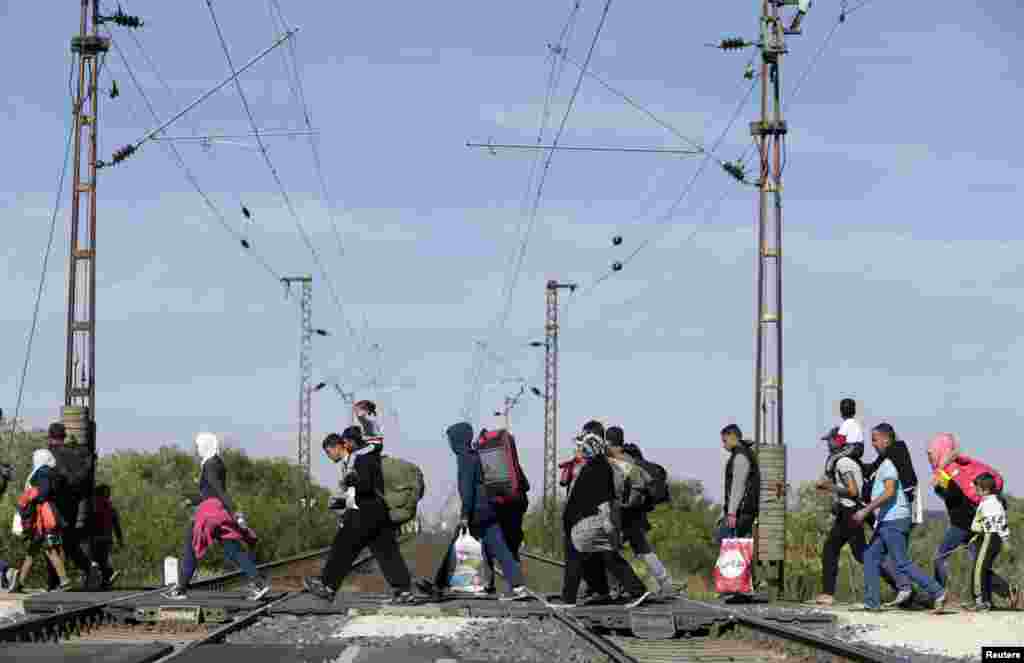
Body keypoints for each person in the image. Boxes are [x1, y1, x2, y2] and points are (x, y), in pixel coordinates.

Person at [304, 428, 417, 604]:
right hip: (378, 512)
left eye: (328, 452)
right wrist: (342, 502)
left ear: (339, 446)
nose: (329, 456)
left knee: (342, 547)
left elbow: (364, 486)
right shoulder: (367, 457)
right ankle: (403, 590)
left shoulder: (358, 458)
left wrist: (349, 482)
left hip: (364, 513)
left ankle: (327, 586)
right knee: (387, 552)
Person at [163, 432, 269, 601]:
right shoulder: (218, 462)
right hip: (220, 512)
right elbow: (212, 492)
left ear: (205, 445)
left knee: (190, 547)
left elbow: (218, 490)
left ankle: (180, 589)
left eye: (198, 446)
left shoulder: (209, 464)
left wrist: (236, 511)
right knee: (233, 548)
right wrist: (192, 500)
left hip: (209, 514)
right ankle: (259, 583)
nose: (197, 450)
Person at [811, 426, 908, 606]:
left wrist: (828, 487)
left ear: (840, 442)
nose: (829, 445)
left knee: (856, 553)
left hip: (851, 512)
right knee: (854, 552)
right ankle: (902, 586)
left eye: (831, 441)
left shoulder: (842, 463)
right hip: (850, 511)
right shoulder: (850, 461)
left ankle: (902, 586)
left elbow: (853, 491)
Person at [853, 425, 945, 612]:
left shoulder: (888, 463)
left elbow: (889, 492)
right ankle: (872, 603)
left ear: (886, 439)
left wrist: (865, 511)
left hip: (895, 519)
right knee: (870, 556)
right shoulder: (883, 462)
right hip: (887, 519)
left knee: (902, 562)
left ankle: (937, 591)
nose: (873, 444)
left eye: (875, 439)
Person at [559, 424, 648, 607]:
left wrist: (607, 519)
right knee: (602, 556)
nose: (579, 450)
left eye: (582, 446)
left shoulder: (598, 467)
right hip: (587, 521)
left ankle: (569, 599)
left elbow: (603, 497)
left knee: (577, 555)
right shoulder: (594, 465)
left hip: (589, 522)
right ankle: (612, 591)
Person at [927, 432, 1018, 608]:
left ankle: (939, 597)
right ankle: (1006, 591)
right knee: (978, 563)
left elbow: (952, 495)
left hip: (962, 524)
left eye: (931, 453)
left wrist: (939, 486)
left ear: (940, 451)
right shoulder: (954, 468)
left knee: (939, 557)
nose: (929, 457)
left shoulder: (949, 470)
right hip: (972, 521)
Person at [606, 427, 675, 598]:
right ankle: (665, 583)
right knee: (641, 548)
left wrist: (626, 504)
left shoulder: (620, 460)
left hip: (625, 513)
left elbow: (637, 483)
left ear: (609, 443)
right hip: (634, 513)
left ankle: (615, 588)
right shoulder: (629, 458)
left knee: (610, 550)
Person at [9, 449, 72, 593]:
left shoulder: (42, 472)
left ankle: (64, 581)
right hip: (50, 514)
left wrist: (30, 495)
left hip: (43, 517)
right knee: (33, 550)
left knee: (50, 549)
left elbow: (43, 493)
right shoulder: (54, 472)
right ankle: (19, 583)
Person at [44, 422, 97, 590]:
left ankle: (55, 582)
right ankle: (88, 569)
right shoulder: (74, 455)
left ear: (49, 436)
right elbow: (83, 481)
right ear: (64, 436)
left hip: (52, 507)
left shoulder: (48, 455)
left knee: (50, 544)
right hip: (71, 507)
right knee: (69, 544)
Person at [968, 473, 1012, 612]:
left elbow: (994, 524)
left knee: (979, 570)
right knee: (984, 570)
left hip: (989, 538)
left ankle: (980, 601)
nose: (975, 490)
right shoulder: (990, 501)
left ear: (985, 490)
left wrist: (980, 531)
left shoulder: (990, 504)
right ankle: (986, 601)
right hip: (990, 537)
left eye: (977, 488)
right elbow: (1000, 524)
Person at [719, 424, 758, 540]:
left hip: (741, 512)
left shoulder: (740, 456)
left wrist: (731, 513)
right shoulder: (746, 452)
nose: (723, 445)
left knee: (724, 542)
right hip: (745, 512)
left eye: (724, 441)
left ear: (732, 436)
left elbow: (738, 486)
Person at [90, 484, 124, 589]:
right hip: (107, 538)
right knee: (103, 560)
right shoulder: (110, 507)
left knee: (97, 560)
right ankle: (106, 579)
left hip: (96, 538)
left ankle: (105, 578)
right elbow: (116, 525)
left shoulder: (93, 505)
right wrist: (120, 539)